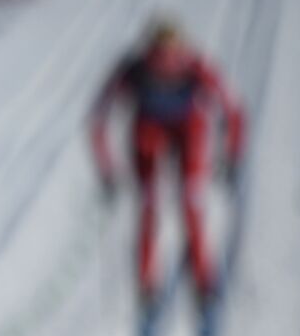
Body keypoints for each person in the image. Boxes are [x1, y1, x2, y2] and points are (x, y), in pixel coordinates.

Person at [89, 16, 246, 305]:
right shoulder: (136, 70)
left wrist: (233, 153)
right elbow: (233, 110)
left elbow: (232, 109)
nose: (165, 59)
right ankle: (162, 283)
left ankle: (195, 281)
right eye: (159, 51)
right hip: (151, 131)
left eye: (171, 50)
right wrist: (106, 169)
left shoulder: (192, 67)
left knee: (186, 203)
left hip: (188, 129)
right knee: (161, 204)